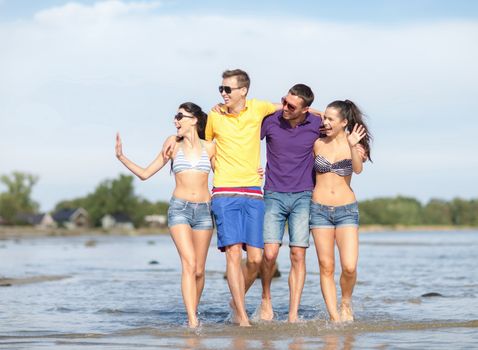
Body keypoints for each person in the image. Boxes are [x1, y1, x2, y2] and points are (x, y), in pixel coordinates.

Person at [115, 102, 215, 328]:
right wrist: (122, 157)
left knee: (199, 270)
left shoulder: (210, 148)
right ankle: (192, 321)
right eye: (175, 116)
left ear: (194, 119)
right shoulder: (172, 143)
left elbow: (226, 175)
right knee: (188, 264)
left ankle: (193, 311)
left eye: (180, 116)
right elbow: (145, 174)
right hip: (179, 209)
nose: (175, 120)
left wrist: (254, 172)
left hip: (204, 212)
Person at [259, 84, 322, 323]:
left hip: (304, 195)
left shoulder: (316, 124)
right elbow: (242, 136)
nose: (284, 107)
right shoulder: (271, 120)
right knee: (269, 254)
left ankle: (293, 314)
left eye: (291, 106)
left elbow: (335, 123)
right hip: (273, 193)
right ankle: (266, 299)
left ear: (305, 109)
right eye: (284, 101)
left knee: (298, 254)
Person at [309, 99, 372, 323]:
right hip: (319, 210)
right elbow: (309, 114)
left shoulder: (354, 143)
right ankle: (334, 316)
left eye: (330, 119)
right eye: (324, 117)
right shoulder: (317, 143)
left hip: (346, 210)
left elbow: (357, 169)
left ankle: (345, 301)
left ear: (344, 122)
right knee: (326, 267)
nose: (325, 121)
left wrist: (354, 145)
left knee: (349, 266)